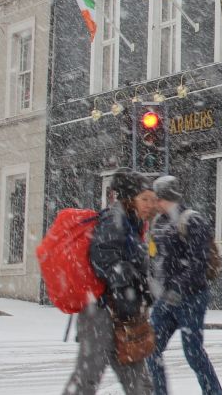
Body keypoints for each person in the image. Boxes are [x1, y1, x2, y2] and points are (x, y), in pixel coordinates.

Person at [65, 168, 158, 395]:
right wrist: (137, 281)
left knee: (138, 381)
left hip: (123, 315)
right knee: (88, 377)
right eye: (144, 199)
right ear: (129, 199)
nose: (150, 205)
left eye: (152, 200)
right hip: (102, 314)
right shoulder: (114, 221)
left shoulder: (132, 224)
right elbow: (103, 259)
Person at [147, 175, 222, 395]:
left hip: (191, 298)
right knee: (150, 350)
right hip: (165, 300)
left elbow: (198, 263)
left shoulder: (191, 220)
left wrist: (178, 287)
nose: (154, 203)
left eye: (157, 198)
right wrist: (153, 285)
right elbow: (155, 258)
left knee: (193, 353)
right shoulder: (158, 222)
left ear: (166, 197)